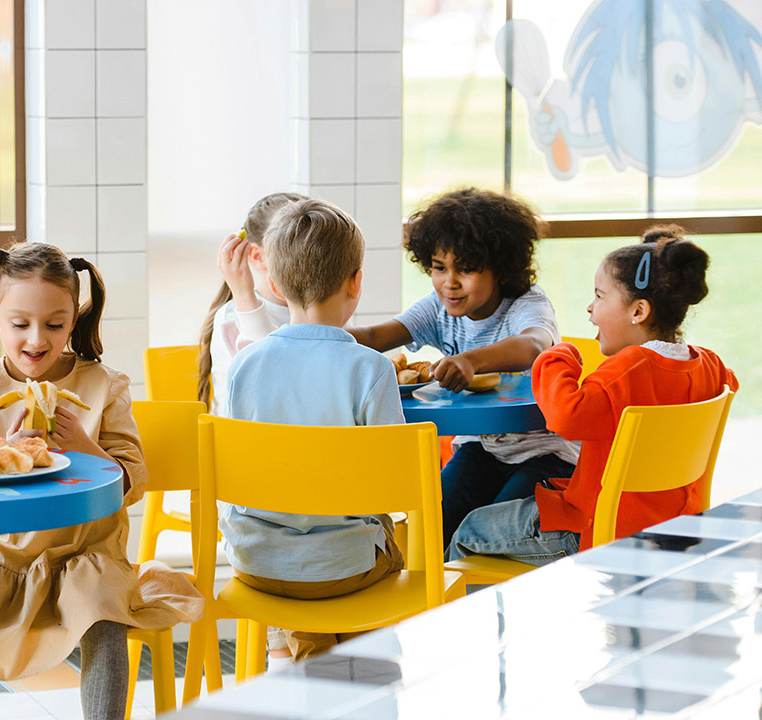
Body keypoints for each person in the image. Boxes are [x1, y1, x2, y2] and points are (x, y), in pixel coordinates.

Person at [0, 243, 201, 720]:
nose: (36, 340)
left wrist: (87, 447)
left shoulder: (105, 385)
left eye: (55, 324)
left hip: (87, 559)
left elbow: (135, 481)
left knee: (103, 622)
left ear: (76, 318)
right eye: (20, 324)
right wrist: (6, 452)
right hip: (2, 559)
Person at [449, 225, 739, 563]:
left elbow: (567, 417)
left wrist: (558, 356)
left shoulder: (626, 371)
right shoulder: (710, 365)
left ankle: (452, 616)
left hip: (596, 527)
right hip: (672, 522)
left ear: (638, 311)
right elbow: (729, 383)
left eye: (600, 296)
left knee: (470, 529)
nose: (590, 307)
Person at [222, 198, 405, 664]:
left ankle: (308, 660)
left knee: (317, 548)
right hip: (343, 569)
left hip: (256, 562)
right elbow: (395, 490)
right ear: (356, 282)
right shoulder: (372, 370)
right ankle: (352, 678)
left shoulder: (246, 365)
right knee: (377, 544)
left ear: (277, 286)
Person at [348, 187, 578, 548]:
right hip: (481, 448)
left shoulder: (526, 304)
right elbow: (377, 335)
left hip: (546, 455)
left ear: (501, 269)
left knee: (491, 535)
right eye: (439, 268)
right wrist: (316, 334)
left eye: (466, 269)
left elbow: (534, 344)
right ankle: (437, 602)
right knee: (432, 525)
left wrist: (472, 359)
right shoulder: (438, 308)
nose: (449, 282)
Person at [197, 192, 305, 414]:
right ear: (257, 256)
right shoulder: (233, 318)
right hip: (244, 440)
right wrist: (244, 295)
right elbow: (273, 383)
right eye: (292, 244)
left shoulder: (327, 307)